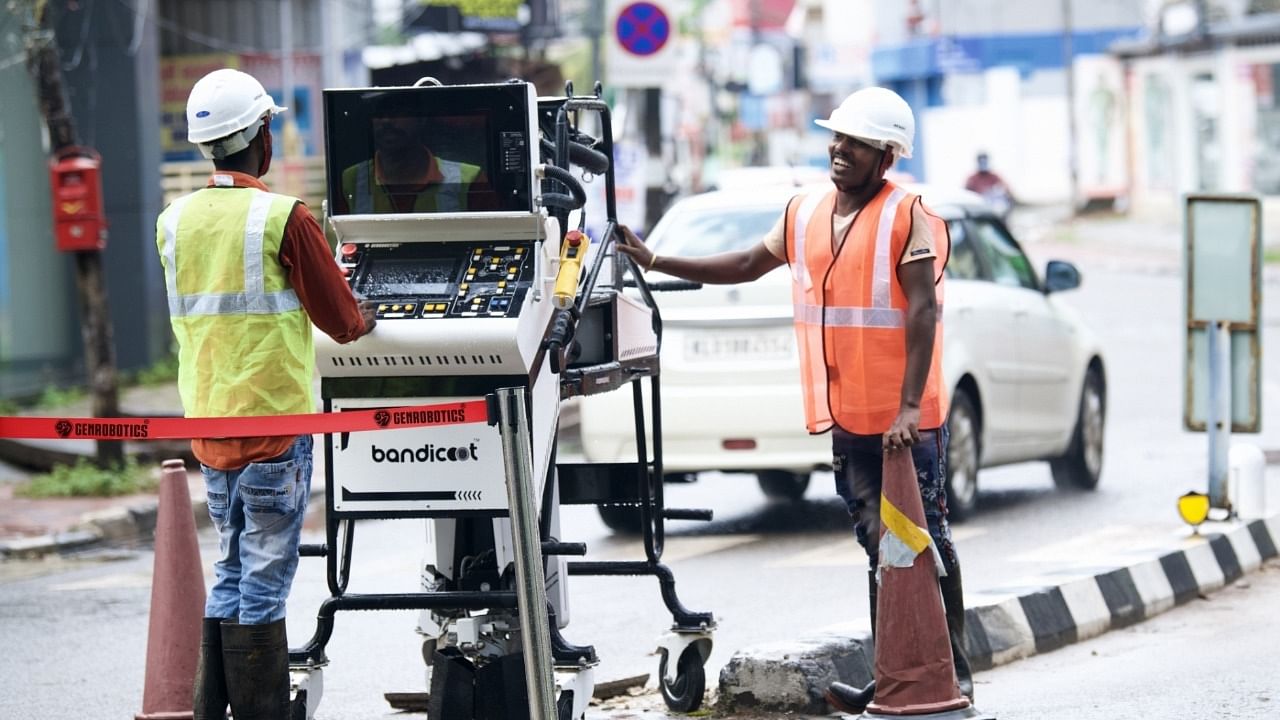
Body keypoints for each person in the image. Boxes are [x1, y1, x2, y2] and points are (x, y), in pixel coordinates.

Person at [615, 87, 972, 715]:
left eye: (857, 142)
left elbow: (921, 311)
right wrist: (658, 257)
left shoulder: (908, 214)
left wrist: (910, 409)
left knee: (925, 541)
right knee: (878, 546)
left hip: (903, 423)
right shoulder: (805, 212)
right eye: (837, 137)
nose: (840, 149)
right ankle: (895, 675)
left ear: (886, 156)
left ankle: (955, 673)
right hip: (849, 416)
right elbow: (749, 262)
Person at [157, 68, 377, 720]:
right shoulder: (284, 218)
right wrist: (367, 309)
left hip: (209, 423)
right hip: (275, 428)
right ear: (261, 136)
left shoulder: (174, 221)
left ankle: (211, 710)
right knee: (264, 578)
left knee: (230, 566)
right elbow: (343, 321)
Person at [336, 114, 496, 214]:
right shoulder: (351, 179)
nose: (386, 120)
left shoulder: (471, 178)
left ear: (422, 119)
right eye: (379, 113)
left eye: (398, 111)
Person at [963, 151, 1014, 220]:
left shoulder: (995, 177)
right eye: (981, 161)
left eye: (985, 161)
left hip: (994, 211)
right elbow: (965, 194)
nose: (983, 164)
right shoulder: (972, 179)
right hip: (977, 212)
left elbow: (1007, 191)